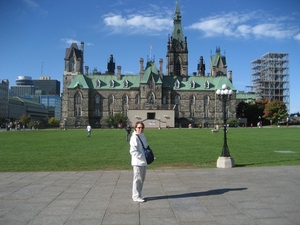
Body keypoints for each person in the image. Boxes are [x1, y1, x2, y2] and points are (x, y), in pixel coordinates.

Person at [129, 121, 148, 203]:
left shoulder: (143, 136)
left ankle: (139, 194)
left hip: (143, 162)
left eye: (142, 127)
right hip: (137, 162)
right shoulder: (134, 137)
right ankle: (136, 196)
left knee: (142, 179)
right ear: (135, 128)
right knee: (137, 179)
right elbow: (133, 151)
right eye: (139, 127)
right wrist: (142, 157)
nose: (140, 129)